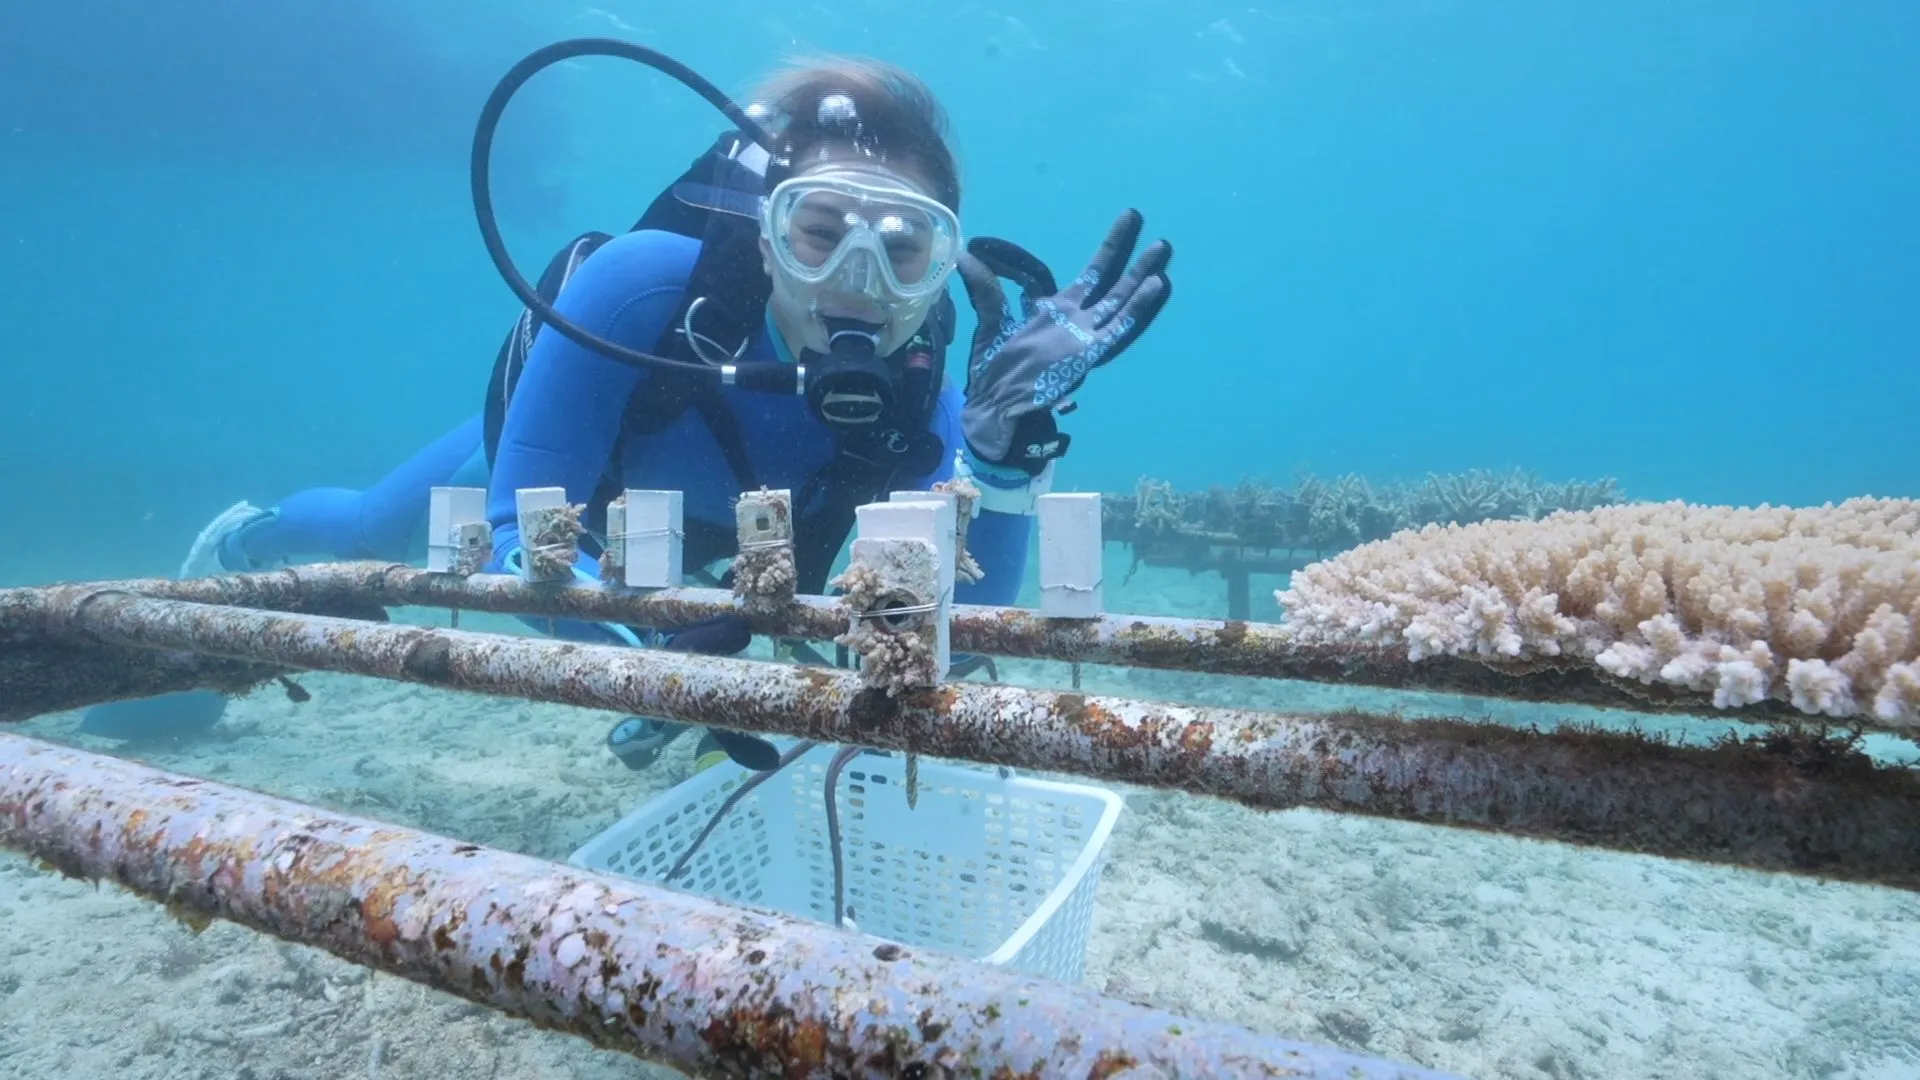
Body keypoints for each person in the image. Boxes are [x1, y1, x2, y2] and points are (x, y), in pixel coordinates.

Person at [180, 55, 1172, 770]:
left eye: (904, 250)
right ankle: (244, 540)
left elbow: (957, 626)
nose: (857, 282)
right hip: (596, 482)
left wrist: (1004, 464)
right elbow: (520, 534)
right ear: (766, 230)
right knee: (371, 529)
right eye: (819, 232)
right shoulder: (642, 291)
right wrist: (663, 672)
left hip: (736, 538)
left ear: (939, 267)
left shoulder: (931, 391)